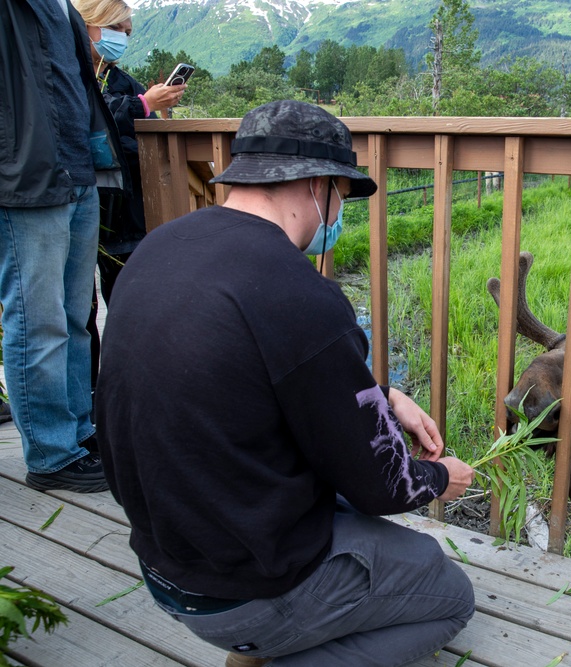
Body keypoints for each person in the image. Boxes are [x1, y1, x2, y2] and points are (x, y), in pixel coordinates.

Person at [96, 100, 476, 667]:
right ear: (319, 184)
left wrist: (386, 397)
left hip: (163, 562)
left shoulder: (160, 248)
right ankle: (269, 646)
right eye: (342, 198)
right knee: (449, 594)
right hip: (243, 590)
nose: (338, 214)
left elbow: (254, 372)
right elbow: (381, 485)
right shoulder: (300, 293)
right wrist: (439, 477)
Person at [1, 0, 127, 493]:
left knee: (77, 318)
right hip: (27, 177)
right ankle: (51, 454)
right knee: (38, 321)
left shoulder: (63, 9)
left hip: (78, 170)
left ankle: (78, 433)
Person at [70, 0, 187, 403]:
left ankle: (129, 398)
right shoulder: (68, 74)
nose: (125, 38)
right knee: (77, 316)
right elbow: (88, 118)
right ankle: (88, 401)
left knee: (129, 311)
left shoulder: (124, 81)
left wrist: (152, 111)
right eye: (119, 28)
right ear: (91, 26)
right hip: (78, 207)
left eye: (129, 31)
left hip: (128, 217)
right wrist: (144, 106)